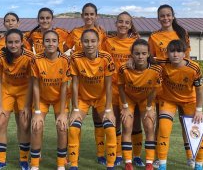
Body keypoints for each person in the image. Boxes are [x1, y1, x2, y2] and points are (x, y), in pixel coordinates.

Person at [148, 4, 193, 168]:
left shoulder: (182, 34)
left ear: (173, 16)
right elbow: (150, 58)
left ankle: (191, 156)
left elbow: (187, 59)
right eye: (162, 16)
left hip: (182, 85)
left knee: (186, 122)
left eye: (168, 15)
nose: (165, 18)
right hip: (164, 86)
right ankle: (159, 157)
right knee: (162, 123)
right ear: (158, 18)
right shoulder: (154, 36)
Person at [65, 3, 108, 165]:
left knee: (99, 120)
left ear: (96, 16)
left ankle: (101, 154)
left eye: (92, 14)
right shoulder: (75, 32)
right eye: (86, 14)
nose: (89, 17)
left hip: (97, 83)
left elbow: (105, 54)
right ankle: (72, 156)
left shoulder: (102, 33)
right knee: (74, 120)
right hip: (79, 82)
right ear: (82, 16)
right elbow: (62, 47)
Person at [68, 29, 116, 170]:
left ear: (98, 42)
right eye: (86, 41)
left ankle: (110, 164)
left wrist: (108, 109)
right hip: (82, 98)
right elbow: (75, 84)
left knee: (110, 128)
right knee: (73, 129)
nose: (89, 44)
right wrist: (75, 109)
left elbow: (108, 85)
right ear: (81, 43)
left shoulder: (106, 57)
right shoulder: (75, 57)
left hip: (101, 98)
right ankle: (74, 164)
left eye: (93, 41)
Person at [102, 11, 144, 167]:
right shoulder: (107, 41)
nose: (123, 25)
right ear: (116, 23)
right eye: (120, 21)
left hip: (132, 89)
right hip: (113, 87)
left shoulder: (136, 41)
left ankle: (137, 155)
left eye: (127, 22)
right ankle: (118, 154)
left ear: (130, 25)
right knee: (116, 122)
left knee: (135, 122)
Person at [157, 40, 203, 170]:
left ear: (185, 54)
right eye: (172, 51)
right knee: (164, 128)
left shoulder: (194, 68)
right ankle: (162, 164)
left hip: (189, 101)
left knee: (196, 131)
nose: (175, 54)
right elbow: (144, 58)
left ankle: (198, 163)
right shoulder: (162, 63)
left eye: (179, 51)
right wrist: (131, 61)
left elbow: (199, 90)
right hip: (168, 100)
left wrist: (199, 110)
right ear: (167, 53)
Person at [0, 29, 34, 170]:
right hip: (6, 90)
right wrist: (0, 106)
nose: (13, 45)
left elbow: (32, 82)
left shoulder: (29, 57)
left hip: (24, 91)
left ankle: (23, 160)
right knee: (0, 122)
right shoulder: (0, 56)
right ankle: (1, 161)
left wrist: (27, 106)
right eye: (10, 42)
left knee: (24, 123)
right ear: (6, 43)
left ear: (22, 42)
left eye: (16, 42)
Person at [118, 39, 162, 170]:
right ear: (132, 54)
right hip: (129, 99)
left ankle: (149, 162)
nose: (140, 56)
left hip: (146, 100)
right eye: (137, 53)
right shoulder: (124, 68)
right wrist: (125, 107)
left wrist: (149, 108)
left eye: (143, 53)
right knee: (126, 126)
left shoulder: (156, 69)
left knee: (149, 125)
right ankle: (128, 162)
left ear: (149, 54)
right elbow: (120, 87)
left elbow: (154, 90)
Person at [30, 30, 70, 170]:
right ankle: (34, 164)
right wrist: (36, 111)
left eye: (54, 40)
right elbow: (35, 86)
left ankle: (60, 164)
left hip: (60, 98)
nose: (51, 43)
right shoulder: (36, 60)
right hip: (42, 99)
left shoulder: (65, 60)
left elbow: (65, 87)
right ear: (43, 42)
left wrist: (63, 113)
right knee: (36, 125)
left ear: (59, 42)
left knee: (62, 126)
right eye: (47, 40)